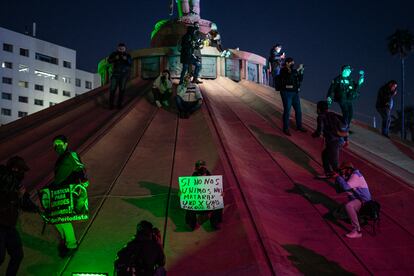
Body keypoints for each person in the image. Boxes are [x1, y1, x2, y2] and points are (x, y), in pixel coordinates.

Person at [51, 135, 88, 257]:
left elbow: (79, 167)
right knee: (57, 219)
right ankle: (66, 241)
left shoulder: (70, 155)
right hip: (59, 192)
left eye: (59, 143)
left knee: (63, 218)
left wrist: (83, 179)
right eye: (55, 144)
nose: (57, 146)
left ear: (66, 144)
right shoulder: (61, 158)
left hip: (67, 192)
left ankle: (71, 244)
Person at [0, 156, 36, 276]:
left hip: (9, 225)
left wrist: (37, 208)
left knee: (17, 255)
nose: (23, 174)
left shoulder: (15, 182)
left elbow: (24, 202)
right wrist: (18, 196)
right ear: (15, 169)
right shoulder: (4, 178)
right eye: (22, 171)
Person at [312, 101, 349, 179]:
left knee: (334, 163)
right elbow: (344, 125)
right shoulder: (333, 114)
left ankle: (346, 181)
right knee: (325, 155)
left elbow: (319, 131)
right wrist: (346, 139)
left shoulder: (321, 117)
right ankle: (328, 173)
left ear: (319, 109)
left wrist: (314, 135)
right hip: (341, 140)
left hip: (333, 142)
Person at [335, 162, 372, 238]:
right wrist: (337, 179)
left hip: (364, 201)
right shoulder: (350, 175)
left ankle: (357, 231)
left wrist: (339, 177)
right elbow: (339, 191)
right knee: (338, 212)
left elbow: (346, 187)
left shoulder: (355, 176)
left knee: (349, 206)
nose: (341, 171)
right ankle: (359, 218)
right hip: (358, 198)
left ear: (348, 169)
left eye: (342, 170)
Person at [185, 160, 223, 231]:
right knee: (188, 204)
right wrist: (182, 194)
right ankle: (192, 224)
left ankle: (215, 222)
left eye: (203, 167)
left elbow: (216, 191)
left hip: (209, 204)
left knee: (219, 203)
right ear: (196, 170)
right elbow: (187, 193)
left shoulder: (211, 179)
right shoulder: (191, 180)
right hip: (197, 205)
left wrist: (220, 194)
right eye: (200, 167)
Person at [276, 57, 306, 136]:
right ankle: (286, 128)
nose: (293, 64)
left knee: (298, 111)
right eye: (291, 63)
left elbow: (300, 79)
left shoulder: (294, 71)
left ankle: (299, 126)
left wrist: (301, 72)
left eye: (293, 62)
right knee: (287, 110)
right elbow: (288, 76)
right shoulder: (284, 70)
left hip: (295, 93)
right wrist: (298, 69)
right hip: (286, 92)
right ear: (287, 63)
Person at [108, 43, 132, 109]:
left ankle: (119, 104)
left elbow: (130, 63)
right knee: (112, 90)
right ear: (118, 48)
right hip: (115, 74)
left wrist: (126, 59)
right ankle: (111, 105)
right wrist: (115, 58)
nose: (121, 49)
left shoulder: (127, 55)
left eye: (123, 48)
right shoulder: (114, 54)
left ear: (125, 48)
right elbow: (109, 61)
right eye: (120, 48)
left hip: (123, 75)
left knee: (122, 90)